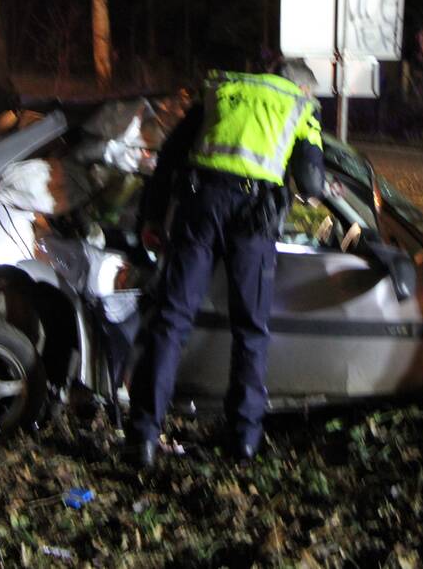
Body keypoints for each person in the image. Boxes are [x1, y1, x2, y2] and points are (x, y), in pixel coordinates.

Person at [127, 58, 325, 466]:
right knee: (251, 329)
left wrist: (151, 215)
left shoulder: (224, 91)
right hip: (253, 218)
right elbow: (312, 184)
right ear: (303, 89)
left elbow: (170, 155)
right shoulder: (300, 108)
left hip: (200, 205)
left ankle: (144, 437)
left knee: (172, 318)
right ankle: (244, 440)